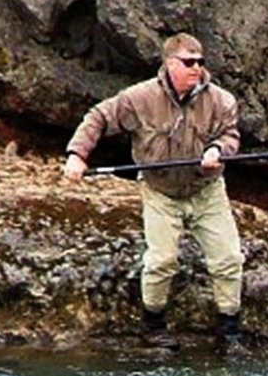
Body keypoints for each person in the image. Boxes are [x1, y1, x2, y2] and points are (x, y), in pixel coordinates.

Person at [63, 32, 244, 349]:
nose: (196, 68)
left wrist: (218, 151)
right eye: (189, 62)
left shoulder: (221, 100)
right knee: (162, 260)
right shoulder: (140, 98)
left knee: (228, 259)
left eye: (200, 62)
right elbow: (99, 117)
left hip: (207, 189)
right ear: (170, 63)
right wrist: (78, 155)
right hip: (159, 191)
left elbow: (230, 135)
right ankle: (153, 325)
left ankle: (229, 330)